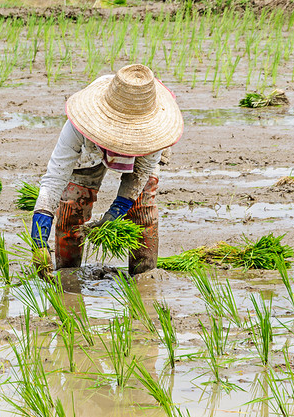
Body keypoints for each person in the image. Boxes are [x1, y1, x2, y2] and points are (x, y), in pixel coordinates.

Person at [31, 64, 184, 276]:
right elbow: (54, 179)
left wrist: (117, 210)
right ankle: (67, 277)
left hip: (145, 145)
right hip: (91, 150)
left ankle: (143, 279)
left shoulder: (154, 131)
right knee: (72, 206)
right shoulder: (82, 124)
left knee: (142, 208)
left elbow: (142, 172)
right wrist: (39, 236)